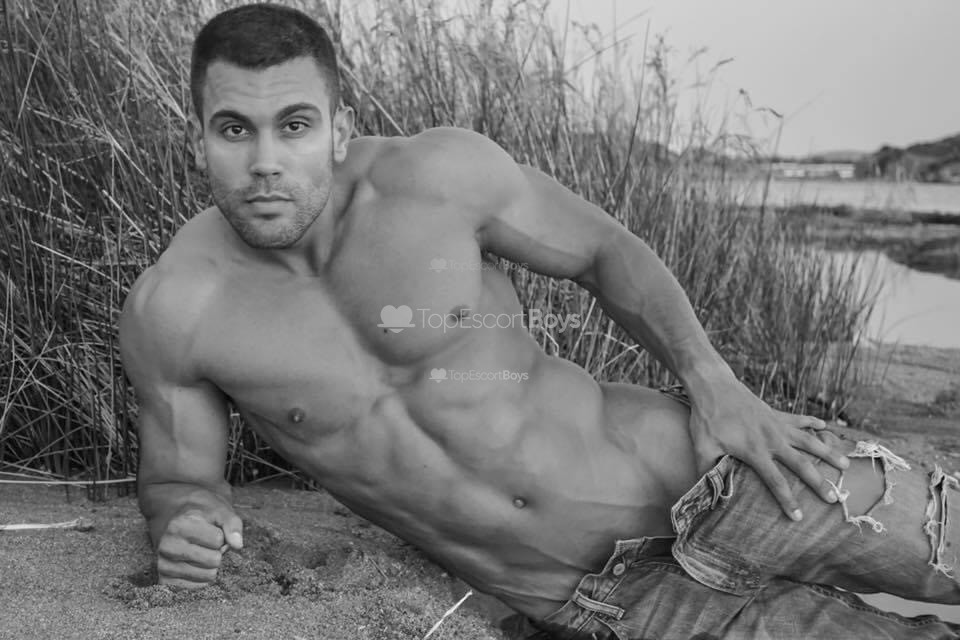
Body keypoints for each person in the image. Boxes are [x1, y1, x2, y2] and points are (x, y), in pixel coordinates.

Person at [117, 4, 960, 639]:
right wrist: (185, 525)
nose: (265, 162)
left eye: (294, 125)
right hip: (609, 603)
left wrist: (715, 381)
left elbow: (607, 251)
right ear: (198, 140)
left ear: (340, 130)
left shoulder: (438, 180)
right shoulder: (177, 310)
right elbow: (178, 483)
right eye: (235, 130)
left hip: (722, 475)